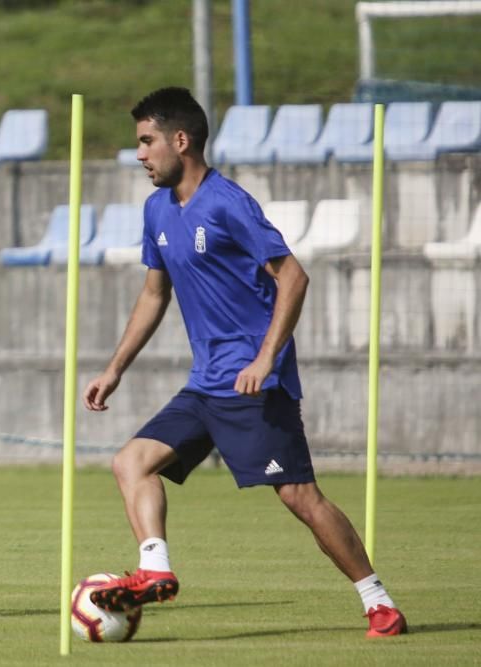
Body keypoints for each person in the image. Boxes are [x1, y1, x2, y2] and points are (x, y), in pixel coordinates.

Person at [81, 87, 406, 638]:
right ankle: (156, 570)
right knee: (130, 462)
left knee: (300, 497)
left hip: (255, 385)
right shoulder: (157, 208)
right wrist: (115, 368)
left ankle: (379, 602)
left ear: (180, 141)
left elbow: (294, 277)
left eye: (146, 141)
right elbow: (154, 294)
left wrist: (264, 358)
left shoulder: (228, 202)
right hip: (206, 385)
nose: (138, 154)